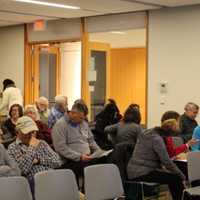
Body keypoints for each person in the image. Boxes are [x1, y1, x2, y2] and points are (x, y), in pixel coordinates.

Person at [127, 111, 185, 200]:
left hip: (133, 169)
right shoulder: (157, 139)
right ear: (169, 133)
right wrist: (182, 176)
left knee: (173, 176)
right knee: (176, 178)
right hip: (142, 172)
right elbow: (166, 162)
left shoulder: (147, 132)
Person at [8, 116, 61, 195]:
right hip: (32, 182)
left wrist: (38, 160)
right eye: (27, 132)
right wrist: (32, 147)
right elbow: (23, 170)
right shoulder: (13, 147)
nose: (30, 135)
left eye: (32, 132)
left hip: (51, 177)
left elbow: (58, 161)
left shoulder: (42, 143)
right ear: (17, 132)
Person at [52, 102, 103, 184]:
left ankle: (99, 193)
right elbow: (60, 148)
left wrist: (98, 151)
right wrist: (79, 157)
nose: (82, 121)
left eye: (83, 118)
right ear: (72, 113)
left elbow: (91, 140)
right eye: (80, 118)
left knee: (105, 161)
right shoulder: (60, 125)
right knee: (89, 168)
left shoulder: (83, 124)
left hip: (86, 157)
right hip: (70, 160)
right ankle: (87, 193)